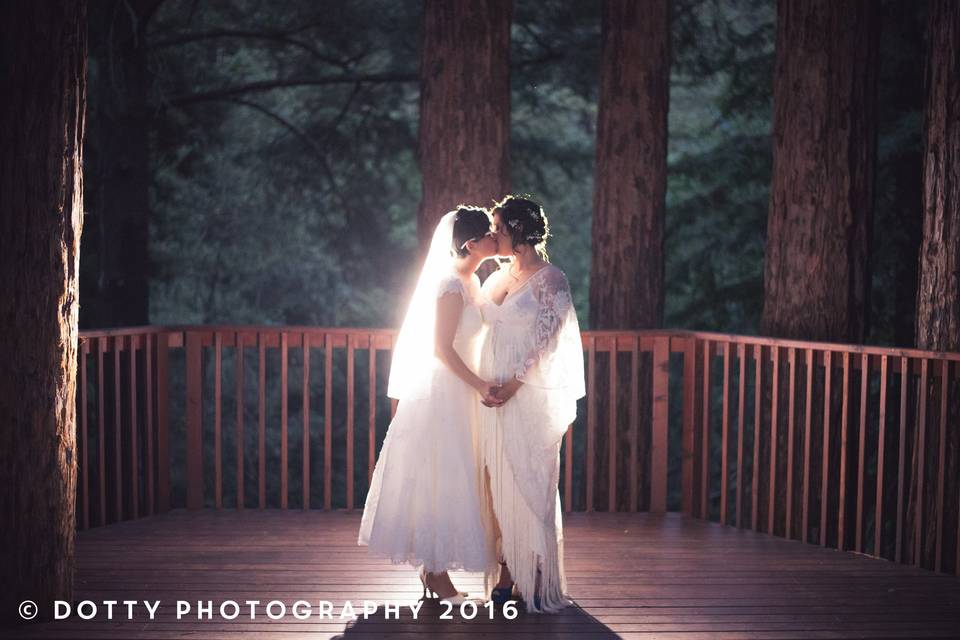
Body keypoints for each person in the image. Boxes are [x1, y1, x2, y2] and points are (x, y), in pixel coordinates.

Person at [358, 206, 501, 603]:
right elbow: (440, 348)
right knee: (442, 475)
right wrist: (479, 385)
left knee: (457, 476)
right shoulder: (450, 285)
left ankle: (434, 570)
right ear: (472, 244)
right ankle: (436, 575)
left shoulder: (472, 280)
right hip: (447, 391)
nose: (495, 238)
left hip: (463, 390)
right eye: (490, 234)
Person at [478, 195, 585, 613]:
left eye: (500, 229)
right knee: (498, 481)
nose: (495, 236)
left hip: (526, 394)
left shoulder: (550, 278)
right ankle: (508, 568)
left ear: (519, 231)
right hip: (493, 391)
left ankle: (534, 569)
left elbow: (547, 338)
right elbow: (477, 313)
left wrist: (514, 386)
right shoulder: (500, 276)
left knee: (530, 480)